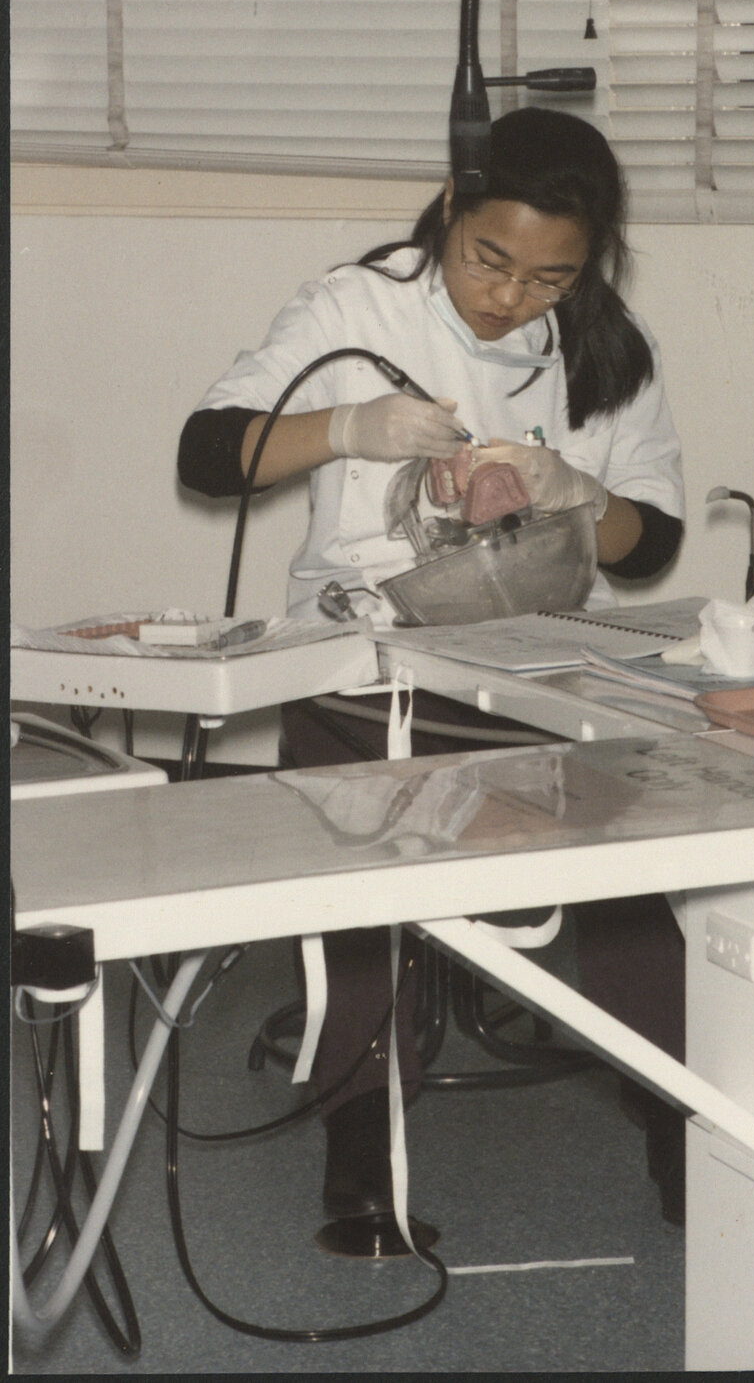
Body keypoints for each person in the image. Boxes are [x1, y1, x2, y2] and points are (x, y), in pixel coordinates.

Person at [178, 107, 688, 1253]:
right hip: (370, 654)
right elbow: (207, 455)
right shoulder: (352, 308)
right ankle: (361, 1159)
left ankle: (683, 1121)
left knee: (636, 875)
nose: (509, 298)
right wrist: (346, 427)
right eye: (488, 260)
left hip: (542, 658)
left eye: (548, 278)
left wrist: (573, 492)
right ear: (452, 211)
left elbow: (648, 547)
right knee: (370, 889)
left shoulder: (608, 350)